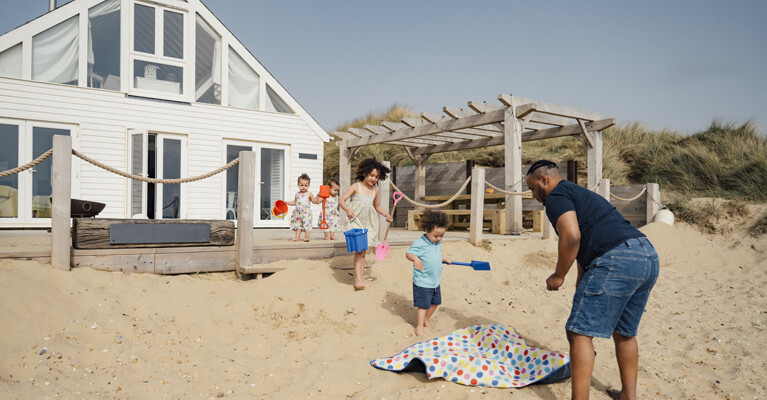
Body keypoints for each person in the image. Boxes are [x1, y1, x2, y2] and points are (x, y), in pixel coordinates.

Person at [525, 160, 659, 400]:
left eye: (533, 188)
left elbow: (572, 238)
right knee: (624, 333)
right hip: (646, 254)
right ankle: (629, 396)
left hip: (616, 258)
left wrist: (558, 276)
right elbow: (586, 252)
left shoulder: (556, 197)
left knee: (579, 333)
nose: (533, 194)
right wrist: (580, 286)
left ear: (544, 180)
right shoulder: (579, 193)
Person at [338, 158, 393, 290]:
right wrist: (348, 210)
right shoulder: (356, 187)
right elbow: (341, 200)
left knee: (363, 252)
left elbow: (377, 206)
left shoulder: (375, 190)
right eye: (372, 175)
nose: (374, 179)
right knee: (359, 251)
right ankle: (358, 280)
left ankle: (360, 279)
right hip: (356, 222)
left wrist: (386, 214)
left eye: (377, 177)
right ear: (364, 173)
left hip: (369, 223)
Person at [405, 210, 452, 337]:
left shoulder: (436, 242)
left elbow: (434, 256)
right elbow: (408, 253)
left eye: (441, 236)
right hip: (423, 281)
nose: (438, 239)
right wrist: (415, 259)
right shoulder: (420, 243)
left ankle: (426, 319)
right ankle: (419, 327)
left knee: (435, 302)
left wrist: (444, 258)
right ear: (427, 230)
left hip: (435, 281)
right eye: (436, 236)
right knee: (423, 305)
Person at [286, 173, 320, 242]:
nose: (303, 187)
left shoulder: (309, 194)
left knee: (307, 225)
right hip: (298, 213)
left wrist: (317, 196)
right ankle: (297, 237)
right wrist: (287, 203)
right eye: (301, 185)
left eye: (305, 185)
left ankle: (307, 237)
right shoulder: (297, 194)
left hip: (306, 213)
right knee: (298, 225)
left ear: (308, 185)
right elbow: (295, 202)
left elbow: (314, 201)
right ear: (298, 185)